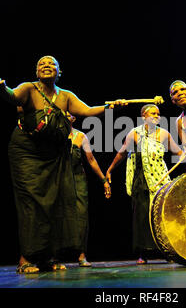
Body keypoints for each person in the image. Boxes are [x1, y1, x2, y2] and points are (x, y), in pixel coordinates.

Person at [0, 55, 125, 273]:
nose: (46, 65)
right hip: (26, 152)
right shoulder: (29, 89)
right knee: (32, 204)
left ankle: (45, 258)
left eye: (51, 63)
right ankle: (26, 260)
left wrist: (110, 107)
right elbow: (12, 96)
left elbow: (88, 111)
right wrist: (1, 87)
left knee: (53, 204)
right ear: (36, 72)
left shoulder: (66, 96)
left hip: (52, 155)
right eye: (41, 64)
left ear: (59, 71)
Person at [106, 104, 184, 264]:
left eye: (158, 113)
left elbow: (179, 153)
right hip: (140, 181)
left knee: (162, 215)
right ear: (143, 117)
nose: (156, 116)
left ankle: (166, 250)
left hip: (160, 180)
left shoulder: (164, 134)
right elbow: (121, 153)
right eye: (152, 113)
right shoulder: (134, 134)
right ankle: (143, 253)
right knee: (142, 217)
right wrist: (110, 170)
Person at [66, 112, 111, 267]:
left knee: (81, 216)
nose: (66, 115)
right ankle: (54, 256)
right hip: (58, 180)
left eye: (69, 114)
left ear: (74, 118)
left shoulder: (80, 136)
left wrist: (104, 180)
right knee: (58, 216)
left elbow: (91, 160)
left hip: (78, 180)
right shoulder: (52, 134)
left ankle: (81, 254)